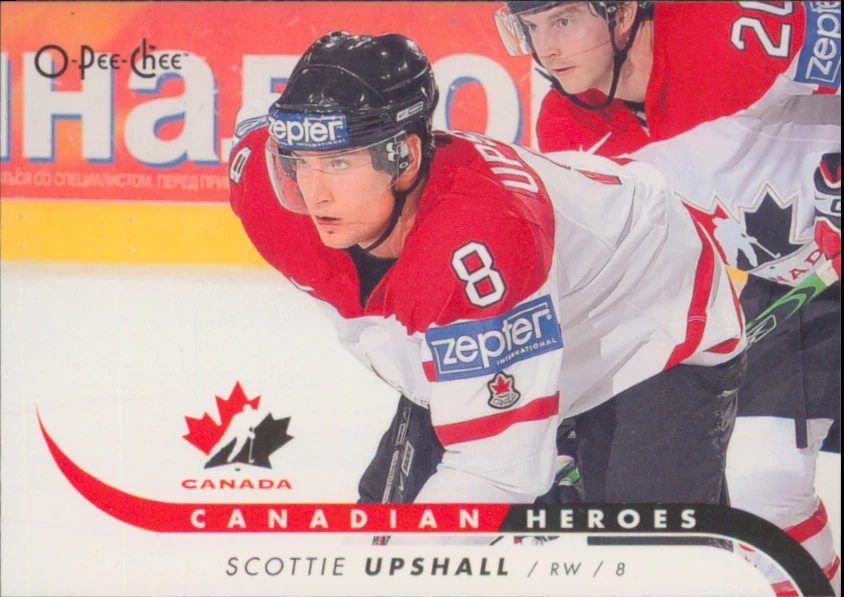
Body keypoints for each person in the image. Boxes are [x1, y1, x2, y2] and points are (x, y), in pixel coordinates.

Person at [228, 30, 745, 508]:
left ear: (405, 157)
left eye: (340, 162)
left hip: (646, 316)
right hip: (520, 305)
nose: (314, 193)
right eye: (300, 161)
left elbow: (496, 470)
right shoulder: (267, 195)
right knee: (383, 535)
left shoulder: (479, 240)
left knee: (652, 557)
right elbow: (253, 125)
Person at [494, 2, 841, 593]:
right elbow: (601, 284)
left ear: (622, 11)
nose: (544, 46)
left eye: (563, 20)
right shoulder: (567, 127)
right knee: (762, 487)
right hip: (794, 290)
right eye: (530, 27)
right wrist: (565, 426)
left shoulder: (732, 26)